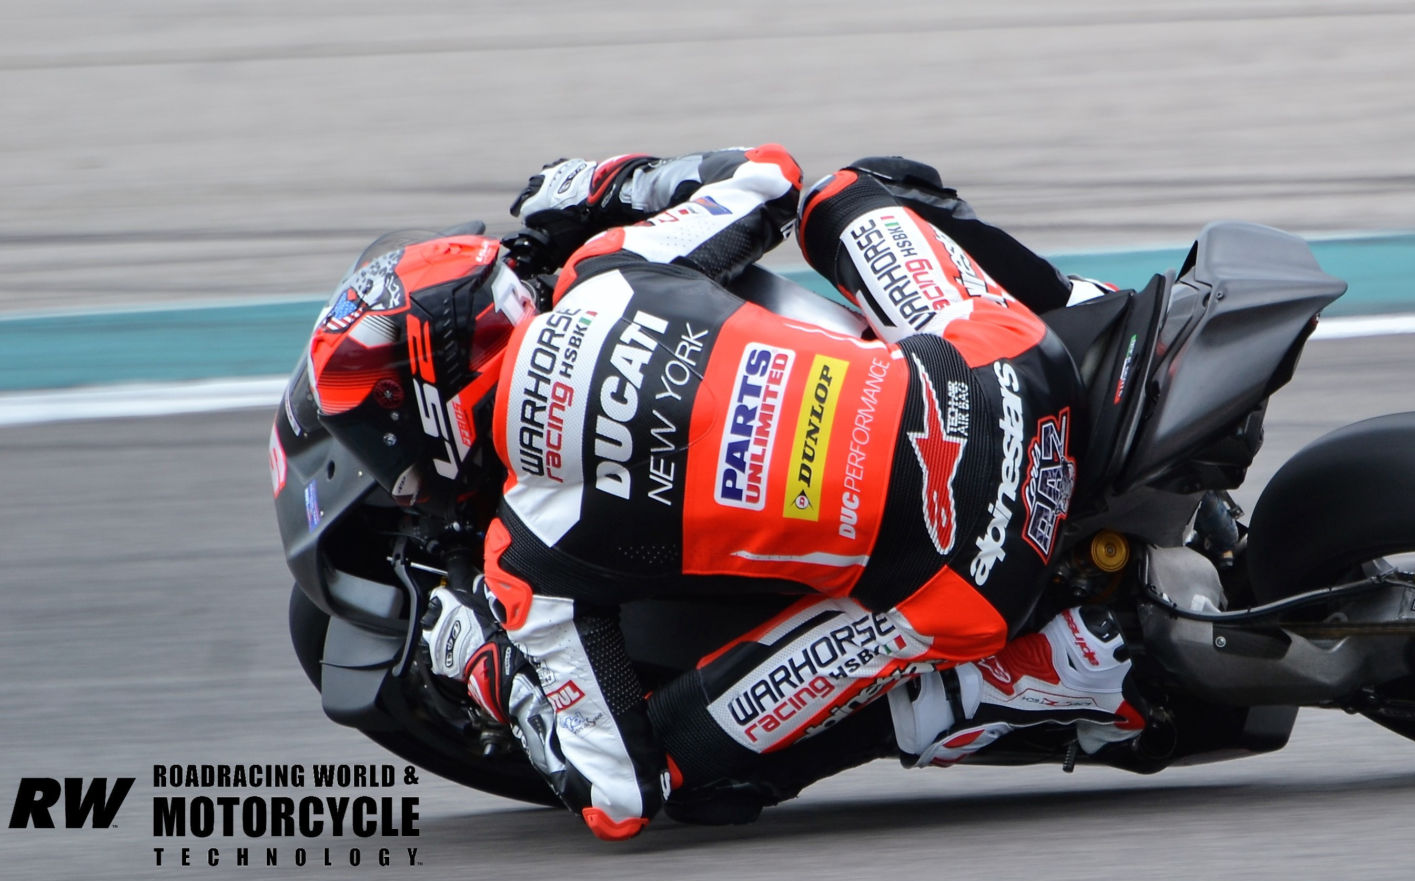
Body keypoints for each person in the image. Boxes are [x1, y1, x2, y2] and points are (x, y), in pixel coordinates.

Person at [306, 145, 1142, 840]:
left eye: (391, 453)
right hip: (1017, 372)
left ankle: (1009, 684)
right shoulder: (609, 268)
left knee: (681, 773)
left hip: (972, 576)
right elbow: (769, 176)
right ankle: (1086, 310)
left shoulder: (526, 548)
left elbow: (617, 794)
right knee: (850, 191)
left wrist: (487, 664)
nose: (403, 477)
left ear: (428, 410)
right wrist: (604, 186)